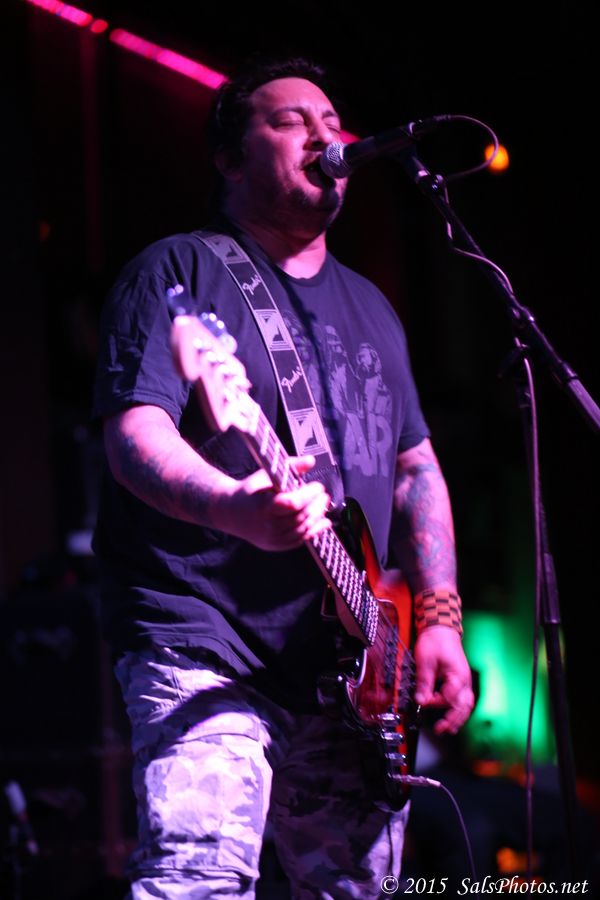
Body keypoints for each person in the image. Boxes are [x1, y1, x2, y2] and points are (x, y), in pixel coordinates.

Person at [92, 57, 474, 899]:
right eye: (290, 121)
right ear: (230, 159)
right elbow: (134, 432)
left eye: (331, 121)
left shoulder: (373, 306)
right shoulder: (180, 273)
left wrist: (439, 620)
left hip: (352, 668)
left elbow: (414, 466)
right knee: (199, 881)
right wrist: (233, 506)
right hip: (206, 638)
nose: (323, 135)